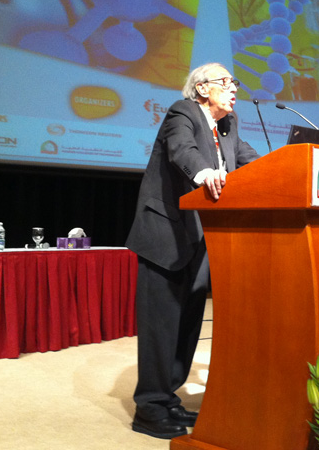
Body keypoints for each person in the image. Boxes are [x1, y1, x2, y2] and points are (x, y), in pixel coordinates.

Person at [125, 63, 260, 439]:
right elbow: (181, 150)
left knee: (187, 325)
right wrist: (205, 174)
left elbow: (252, 163)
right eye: (226, 82)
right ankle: (149, 407)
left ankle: (167, 397)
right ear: (202, 88)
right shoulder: (182, 112)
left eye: (234, 83)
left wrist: (292, 169)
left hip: (201, 239)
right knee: (161, 325)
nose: (234, 89)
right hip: (165, 234)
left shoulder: (228, 126)